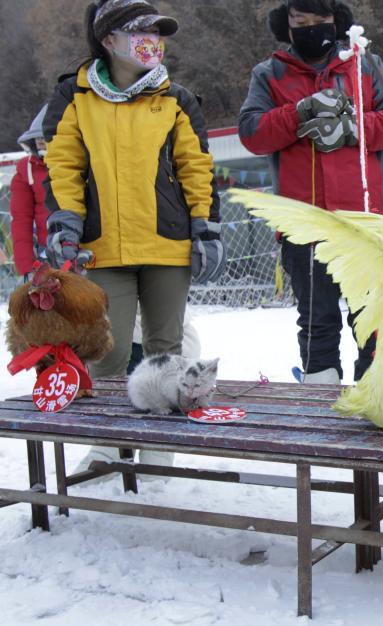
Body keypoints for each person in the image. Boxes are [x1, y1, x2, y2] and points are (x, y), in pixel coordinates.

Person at [43, 0, 223, 472]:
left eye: (158, 32)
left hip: (167, 244)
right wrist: (65, 222)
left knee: (166, 349)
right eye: (141, 31)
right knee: (107, 349)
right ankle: (106, 446)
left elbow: (196, 167)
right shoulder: (74, 96)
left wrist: (206, 227)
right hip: (100, 247)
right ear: (109, 40)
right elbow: (62, 166)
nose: (153, 40)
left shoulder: (176, 98)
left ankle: (159, 448)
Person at [239, 0, 383, 384]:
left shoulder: (364, 64)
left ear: (339, 21)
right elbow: (252, 133)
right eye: (302, 20)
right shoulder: (269, 74)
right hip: (305, 224)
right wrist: (298, 112)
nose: (312, 27)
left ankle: (376, 396)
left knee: (374, 317)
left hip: (365, 220)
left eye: (322, 20)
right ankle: (321, 401)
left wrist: (352, 125)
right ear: (287, 22)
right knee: (317, 319)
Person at [10, 105, 50, 278]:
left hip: (86, 252)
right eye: (37, 137)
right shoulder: (26, 170)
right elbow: (21, 219)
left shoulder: (82, 164)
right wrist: (27, 266)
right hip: (46, 255)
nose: (40, 141)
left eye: (45, 136)